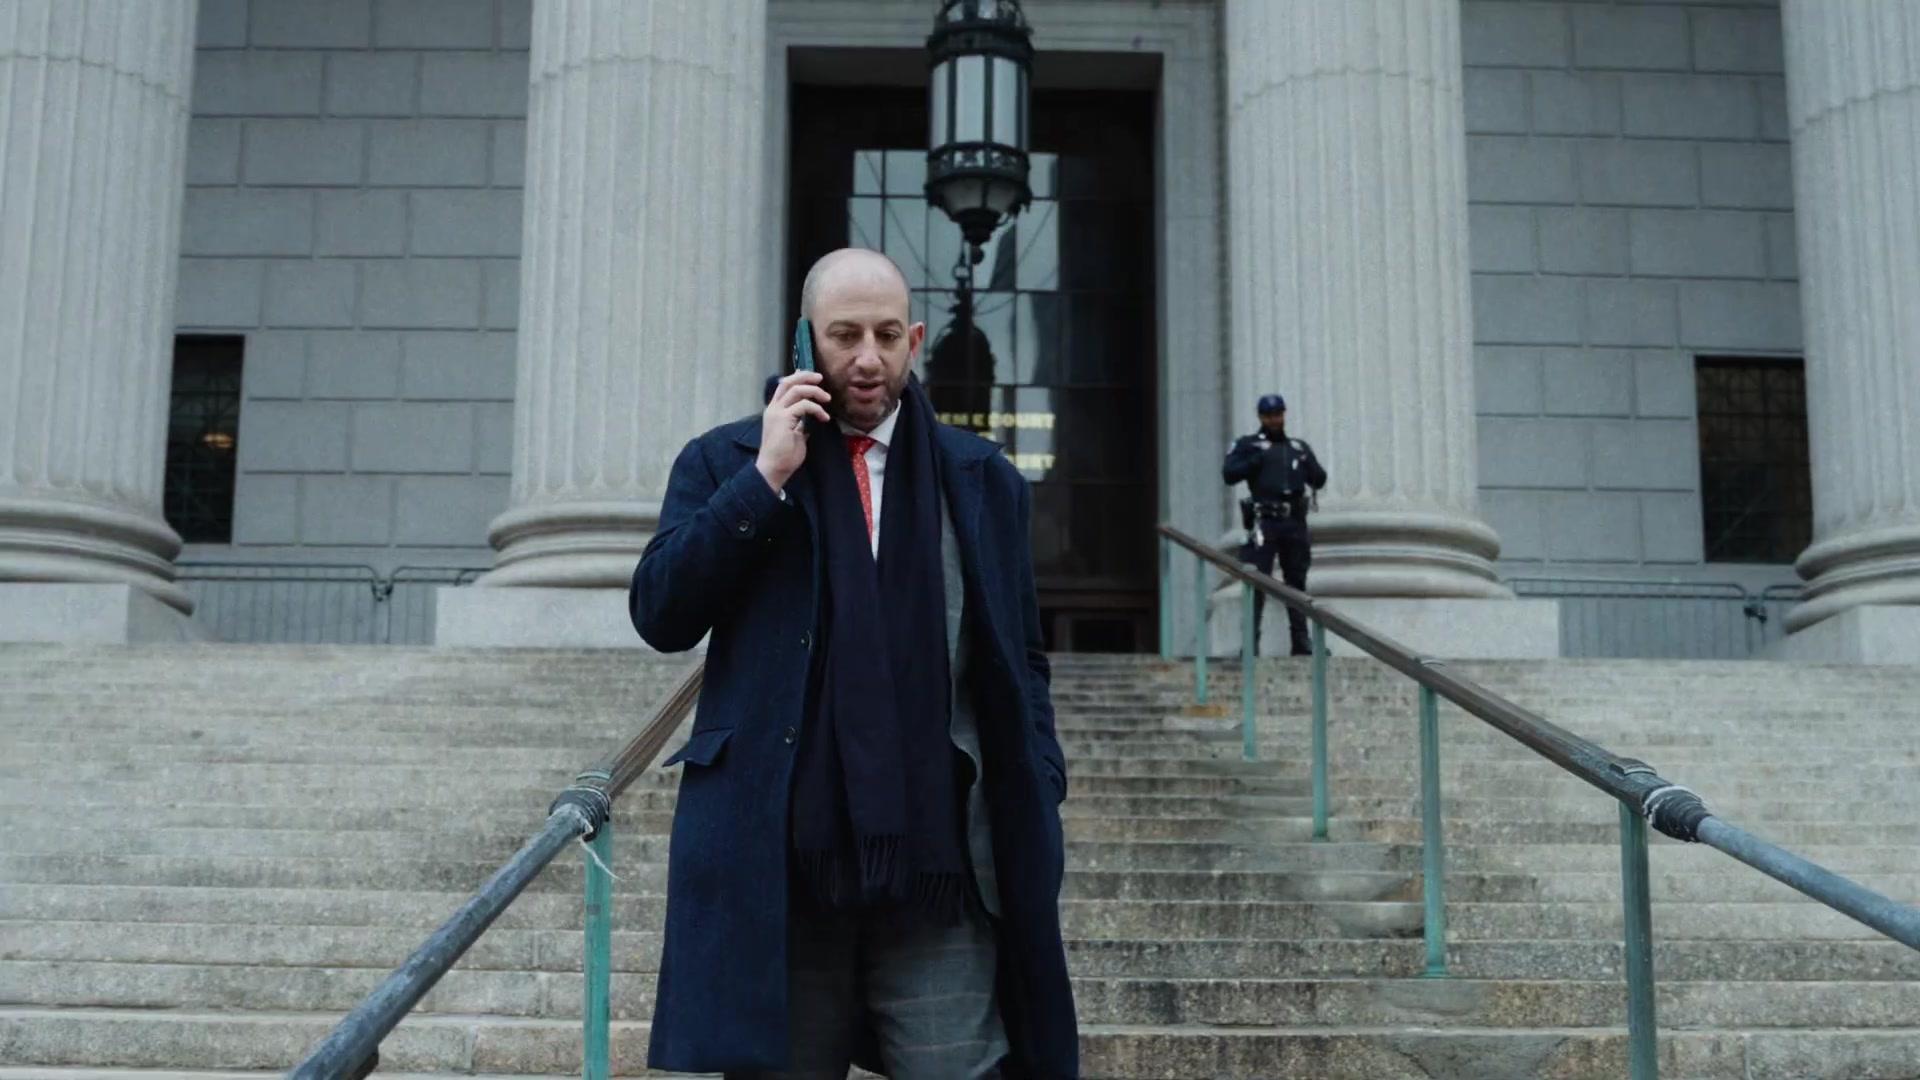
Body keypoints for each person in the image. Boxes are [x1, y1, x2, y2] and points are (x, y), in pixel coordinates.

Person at [631, 248, 1077, 1080]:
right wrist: (765, 478)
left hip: (940, 876)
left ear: (913, 341)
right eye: (843, 336)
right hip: (783, 879)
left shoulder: (981, 481)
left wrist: (1041, 774)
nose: (866, 359)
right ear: (806, 340)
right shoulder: (725, 463)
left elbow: (1021, 659)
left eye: (884, 336)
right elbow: (661, 613)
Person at [1222, 393, 1327, 656]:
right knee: (1256, 581)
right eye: (1269, 415)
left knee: (1296, 581)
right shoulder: (1249, 445)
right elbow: (1230, 473)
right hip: (1265, 521)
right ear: (1260, 417)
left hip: (1293, 522)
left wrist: (1306, 467)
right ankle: (1250, 642)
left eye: (1278, 414)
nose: (1274, 420)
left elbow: (1319, 478)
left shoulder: (1297, 447)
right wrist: (1256, 461)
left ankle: (1301, 641)